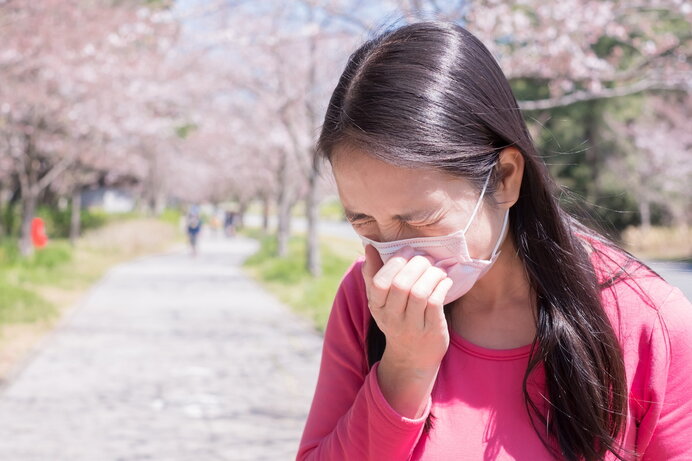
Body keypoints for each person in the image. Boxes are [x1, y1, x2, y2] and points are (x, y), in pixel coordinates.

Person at [296, 22, 692, 461]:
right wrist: (404, 367)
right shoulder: (365, 299)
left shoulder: (647, 321)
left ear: (505, 178)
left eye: (421, 219)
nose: (396, 259)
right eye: (364, 221)